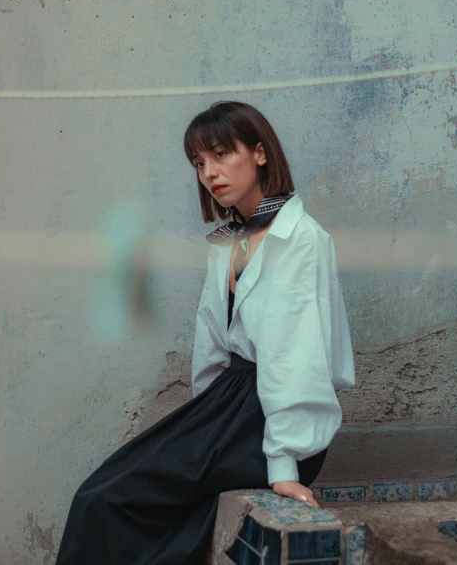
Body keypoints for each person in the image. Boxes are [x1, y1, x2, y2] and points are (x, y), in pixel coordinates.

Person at [55, 101, 355, 565]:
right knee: (102, 494)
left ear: (259, 154)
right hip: (228, 409)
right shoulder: (229, 241)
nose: (209, 172)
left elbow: (293, 357)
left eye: (220, 154)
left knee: (106, 501)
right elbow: (212, 344)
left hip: (268, 419)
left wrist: (282, 465)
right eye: (199, 163)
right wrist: (197, 423)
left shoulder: (299, 239)